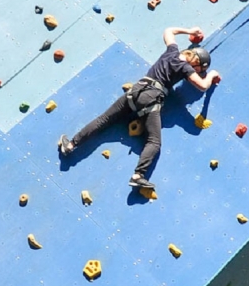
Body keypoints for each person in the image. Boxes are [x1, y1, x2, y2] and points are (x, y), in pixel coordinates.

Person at [58, 26, 221, 189]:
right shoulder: (185, 68)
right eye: (200, 69)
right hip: (150, 98)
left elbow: (169, 31)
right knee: (154, 142)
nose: (198, 72)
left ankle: (71, 145)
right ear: (197, 62)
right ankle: (138, 175)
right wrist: (212, 75)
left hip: (136, 90)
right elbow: (201, 86)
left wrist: (189, 31)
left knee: (105, 119)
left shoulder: (171, 52)